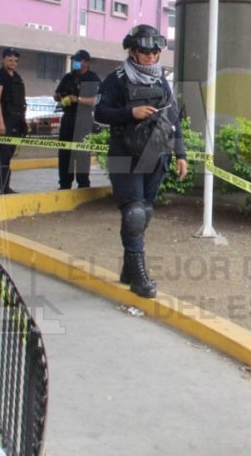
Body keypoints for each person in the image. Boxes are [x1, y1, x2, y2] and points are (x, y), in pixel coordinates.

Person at [94, 25, 187, 298]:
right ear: (132, 50)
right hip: (124, 155)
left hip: (155, 155)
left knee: (144, 213)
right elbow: (99, 112)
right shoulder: (117, 79)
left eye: (155, 51)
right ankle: (139, 277)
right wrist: (129, 112)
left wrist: (180, 154)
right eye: (145, 51)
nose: (150, 56)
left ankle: (128, 269)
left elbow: (172, 119)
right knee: (133, 214)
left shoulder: (161, 81)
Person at [55, 49, 101, 189]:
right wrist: (61, 98)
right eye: (74, 60)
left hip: (84, 118)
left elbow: (97, 100)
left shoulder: (93, 78)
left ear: (86, 62)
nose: (75, 63)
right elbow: (56, 94)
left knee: (82, 153)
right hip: (68, 117)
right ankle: (64, 183)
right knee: (65, 152)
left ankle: (83, 184)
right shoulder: (68, 77)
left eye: (78, 60)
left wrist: (78, 99)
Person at [0, 48, 27, 196]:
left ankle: (4, 187)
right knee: (0, 155)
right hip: (4, 120)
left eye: (15, 60)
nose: (13, 62)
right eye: (10, 59)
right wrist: (1, 123)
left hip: (16, 120)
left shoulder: (17, 76)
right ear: (3, 59)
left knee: (7, 155)